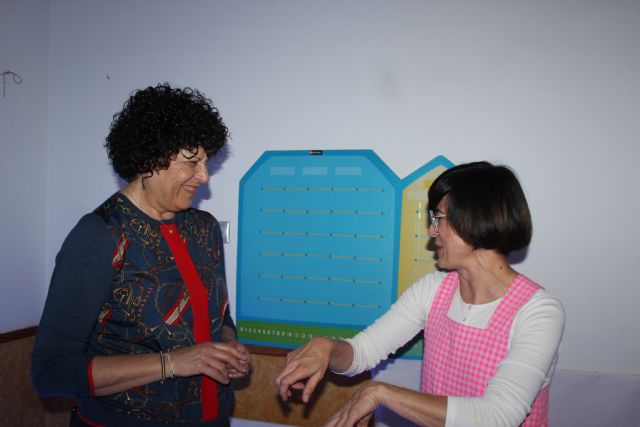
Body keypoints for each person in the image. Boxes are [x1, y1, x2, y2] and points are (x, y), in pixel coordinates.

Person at [275, 161, 565, 427]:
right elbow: (363, 353)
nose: (431, 231)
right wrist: (328, 348)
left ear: (475, 218)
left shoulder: (538, 312)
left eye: (438, 218)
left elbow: (497, 417)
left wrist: (380, 392)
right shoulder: (433, 290)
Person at [32, 83, 250, 427]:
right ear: (151, 159)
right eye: (192, 162)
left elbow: (219, 317)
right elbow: (51, 372)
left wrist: (227, 344)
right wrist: (173, 362)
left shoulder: (205, 229)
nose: (204, 176)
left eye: (206, 162)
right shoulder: (99, 235)